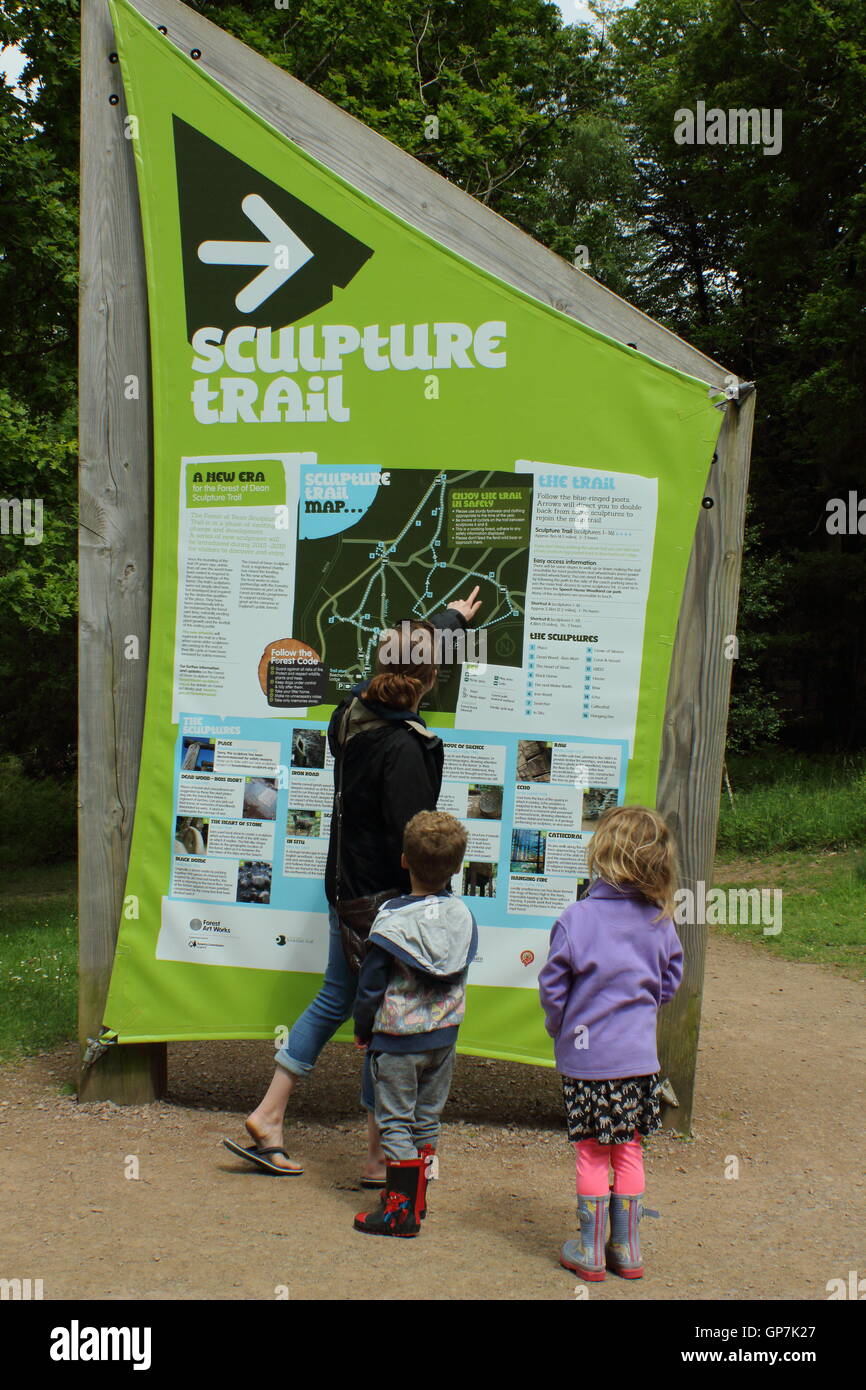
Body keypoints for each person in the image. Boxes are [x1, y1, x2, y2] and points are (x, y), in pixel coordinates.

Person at [223, 589, 481, 1179]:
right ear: (429, 677)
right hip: (383, 903)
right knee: (386, 1014)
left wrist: (449, 620)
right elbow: (413, 839)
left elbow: (404, 656)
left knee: (339, 998)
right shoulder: (406, 748)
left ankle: (272, 1117)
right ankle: (372, 1153)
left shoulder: (349, 714)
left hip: (346, 886)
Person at [538, 805, 683, 1281]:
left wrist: (558, 1025)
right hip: (639, 1060)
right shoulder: (661, 922)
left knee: (591, 1151)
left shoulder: (577, 918)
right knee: (630, 1147)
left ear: (602, 852)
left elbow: (554, 986)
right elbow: (670, 980)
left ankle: (590, 1250)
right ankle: (627, 1248)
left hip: (587, 1061)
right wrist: (644, 1012)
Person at [352, 810, 477, 1238]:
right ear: (457, 867)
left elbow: (371, 984)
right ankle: (417, 1200)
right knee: (426, 1120)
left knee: (394, 1122)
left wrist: (363, 1028)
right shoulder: (462, 915)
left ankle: (398, 1211)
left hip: (398, 1041)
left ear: (404, 860)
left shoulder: (391, 920)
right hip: (443, 1040)